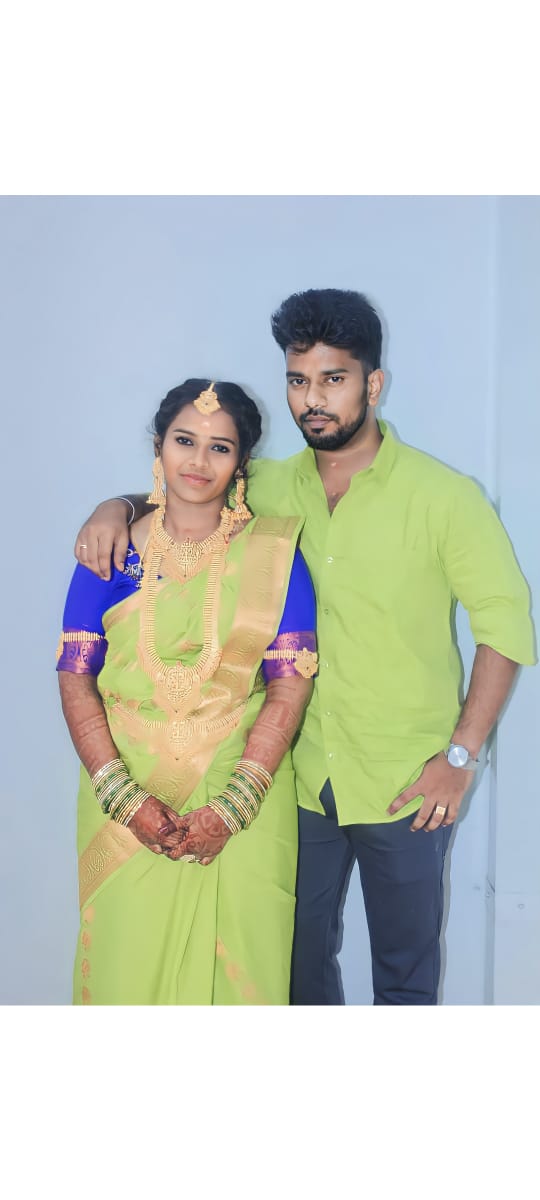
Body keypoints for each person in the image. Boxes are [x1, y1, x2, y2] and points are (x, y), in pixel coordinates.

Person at [75, 290, 536, 1006]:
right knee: (294, 973)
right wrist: (116, 507)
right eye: (298, 380)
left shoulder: (446, 497)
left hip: (405, 782)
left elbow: (503, 626)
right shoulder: (265, 488)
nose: (312, 399)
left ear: (373, 384)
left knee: (406, 975)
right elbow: (186, 484)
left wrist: (459, 757)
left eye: (333, 379)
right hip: (296, 778)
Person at [58, 378, 317, 1005]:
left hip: (245, 797)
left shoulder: (275, 556)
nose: (199, 461)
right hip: (124, 795)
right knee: (125, 975)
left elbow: (290, 685)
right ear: (159, 446)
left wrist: (234, 807)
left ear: (242, 461)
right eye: (184, 441)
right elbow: (75, 677)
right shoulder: (111, 552)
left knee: (242, 981)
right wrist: (123, 798)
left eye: (219, 447)